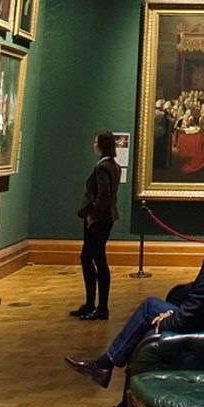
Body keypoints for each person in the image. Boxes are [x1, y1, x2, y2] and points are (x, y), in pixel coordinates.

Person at [64, 211, 204, 389]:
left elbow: (189, 316)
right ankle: (106, 366)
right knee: (149, 312)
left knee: (149, 309)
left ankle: (106, 365)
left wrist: (166, 320)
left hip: (202, 325)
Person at [73, 130, 122, 320]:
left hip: (99, 219)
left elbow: (103, 195)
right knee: (89, 257)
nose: (93, 144)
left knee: (96, 259)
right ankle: (91, 304)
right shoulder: (114, 165)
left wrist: (93, 216)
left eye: (96, 142)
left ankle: (100, 307)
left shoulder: (103, 167)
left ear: (102, 145)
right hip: (105, 218)